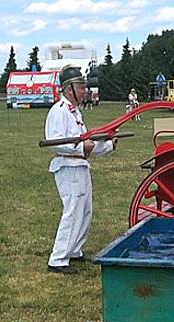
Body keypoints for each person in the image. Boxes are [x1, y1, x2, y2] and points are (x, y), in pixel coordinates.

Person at [44, 66, 116, 275]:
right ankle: (58, 258)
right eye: (81, 86)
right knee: (73, 210)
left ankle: (74, 250)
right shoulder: (59, 111)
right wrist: (79, 147)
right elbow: (55, 142)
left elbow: (89, 144)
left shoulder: (76, 112)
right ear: (68, 89)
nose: (85, 90)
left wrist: (110, 144)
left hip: (80, 165)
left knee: (85, 211)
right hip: (68, 166)